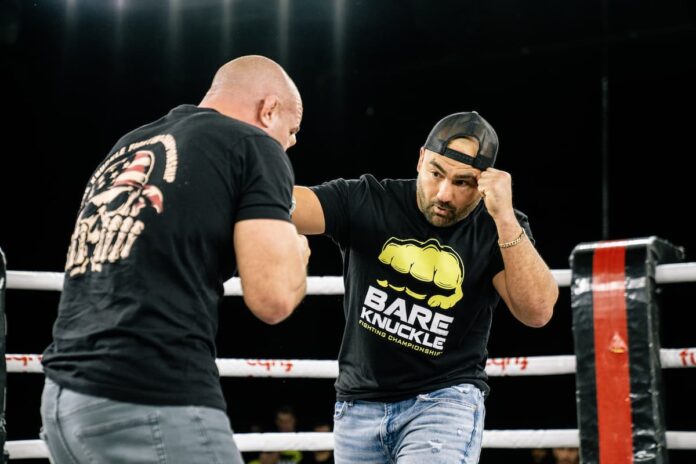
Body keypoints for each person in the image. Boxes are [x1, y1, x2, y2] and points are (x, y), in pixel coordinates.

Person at [39, 55, 310, 464]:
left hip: (63, 400)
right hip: (149, 393)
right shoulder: (255, 146)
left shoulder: (129, 145)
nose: (290, 143)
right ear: (268, 109)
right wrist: (295, 254)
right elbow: (272, 300)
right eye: (291, 130)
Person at [292, 111, 559, 463]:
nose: (445, 194)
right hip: (358, 405)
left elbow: (538, 311)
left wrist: (505, 218)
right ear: (421, 159)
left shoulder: (494, 225)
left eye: (463, 182)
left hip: (444, 401)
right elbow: (288, 205)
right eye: (436, 173)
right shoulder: (370, 200)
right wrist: (226, 170)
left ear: (483, 183)